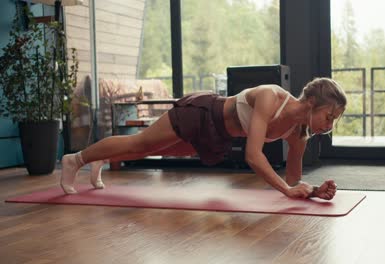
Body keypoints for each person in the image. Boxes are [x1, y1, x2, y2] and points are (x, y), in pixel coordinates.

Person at [60, 77, 347, 200]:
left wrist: (312, 191)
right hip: (202, 114)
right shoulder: (271, 97)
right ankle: (77, 159)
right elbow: (253, 155)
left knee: (145, 150)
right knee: (140, 144)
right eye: (329, 116)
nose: (329, 125)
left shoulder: (299, 135)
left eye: (334, 120)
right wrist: (286, 190)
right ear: (310, 103)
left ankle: (99, 159)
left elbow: (294, 182)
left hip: (217, 136)